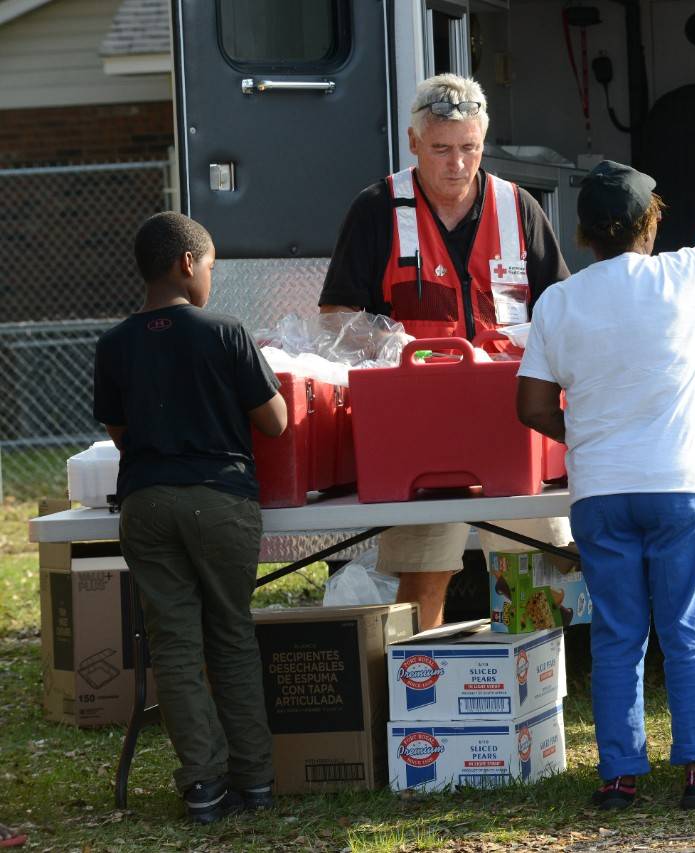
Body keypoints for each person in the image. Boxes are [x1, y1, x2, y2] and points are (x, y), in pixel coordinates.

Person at [515, 131, 695, 810]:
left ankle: (619, 775)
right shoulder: (683, 274)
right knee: (687, 630)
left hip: (600, 490)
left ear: (580, 233)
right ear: (651, 223)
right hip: (676, 484)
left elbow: (531, 404)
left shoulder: (556, 303)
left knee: (616, 635)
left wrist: (592, 433)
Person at [318, 73, 573, 627]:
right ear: (413, 143)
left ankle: (532, 693)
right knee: (421, 575)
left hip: (514, 422)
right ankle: (417, 690)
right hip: (420, 433)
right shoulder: (376, 209)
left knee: (539, 567)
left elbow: (562, 312)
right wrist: (393, 344)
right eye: (441, 149)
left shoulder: (519, 206)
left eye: (469, 148)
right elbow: (335, 319)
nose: (457, 163)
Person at [93, 212, 287, 823]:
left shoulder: (114, 344)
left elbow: (120, 432)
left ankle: (203, 785)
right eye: (209, 266)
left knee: (174, 646)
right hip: (220, 499)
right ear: (187, 263)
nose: (210, 276)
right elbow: (275, 421)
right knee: (230, 633)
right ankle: (254, 782)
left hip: (147, 504)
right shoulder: (225, 332)